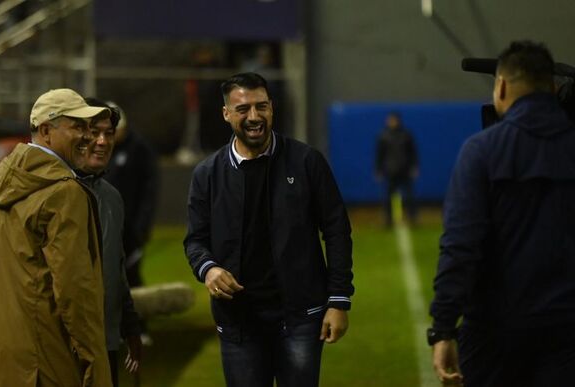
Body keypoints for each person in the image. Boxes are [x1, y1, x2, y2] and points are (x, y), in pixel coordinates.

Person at [184, 72, 354, 387]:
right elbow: (195, 240)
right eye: (243, 109)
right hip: (239, 322)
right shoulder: (207, 174)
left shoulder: (306, 162)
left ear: (272, 108)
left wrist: (339, 300)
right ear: (226, 114)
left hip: (301, 316)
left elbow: (337, 231)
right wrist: (209, 270)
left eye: (261, 107)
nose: (254, 116)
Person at [428, 40, 575, 387]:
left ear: (502, 85)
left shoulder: (482, 151)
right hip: (568, 332)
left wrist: (443, 328)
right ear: (553, 89)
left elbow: (460, 246)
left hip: (495, 333)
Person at [0, 88, 112, 386]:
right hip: (45, 361)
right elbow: (74, 291)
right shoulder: (64, 192)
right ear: (47, 131)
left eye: (89, 128)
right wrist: (94, 360)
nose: (88, 136)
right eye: (77, 126)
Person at [80, 97, 143, 386]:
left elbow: (115, 269)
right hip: (58, 344)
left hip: (106, 340)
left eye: (108, 133)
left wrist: (130, 325)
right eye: (94, 132)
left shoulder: (111, 197)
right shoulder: (49, 194)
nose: (103, 141)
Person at [102, 102, 158, 344]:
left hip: (131, 229)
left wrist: (142, 225)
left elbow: (149, 188)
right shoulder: (101, 150)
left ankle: (138, 328)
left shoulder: (139, 149)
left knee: (132, 276)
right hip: (107, 228)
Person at [375, 112, 419, 226]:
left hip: (405, 170)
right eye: (390, 120)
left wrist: (414, 166)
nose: (392, 122)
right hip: (390, 171)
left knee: (409, 196)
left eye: (394, 120)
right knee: (388, 197)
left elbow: (413, 152)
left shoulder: (406, 134)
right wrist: (378, 170)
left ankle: (412, 219)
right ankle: (388, 221)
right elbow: (380, 154)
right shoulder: (383, 136)